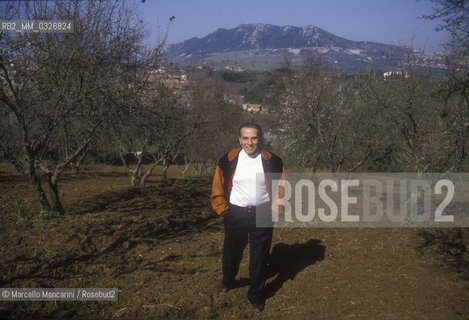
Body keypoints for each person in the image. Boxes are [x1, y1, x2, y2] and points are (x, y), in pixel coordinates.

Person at [210, 122, 285, 312]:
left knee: (259, 257)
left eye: (254, 138)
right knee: (231, 253)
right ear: (239, 139)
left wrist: (275, 208)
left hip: (263, 212)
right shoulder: (228, 160)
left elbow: (281, 187)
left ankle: (256, 296)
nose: (249, 142)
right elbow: (218, 187)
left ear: (260, 138)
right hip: (236, 213)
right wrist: (223, 210)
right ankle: (227, 280)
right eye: (245, 138)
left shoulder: (272, 161)